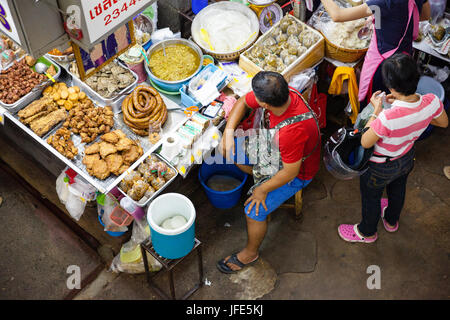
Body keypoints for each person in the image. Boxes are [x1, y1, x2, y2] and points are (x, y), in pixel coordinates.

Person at [216, 72, 321, 273]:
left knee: (253, 212)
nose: (251, 97)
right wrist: (228, 134)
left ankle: (250, 253)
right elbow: (242, 103)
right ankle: (258, 175)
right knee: (232, 148)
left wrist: (262, 190)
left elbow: (291, 172)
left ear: (264, 105)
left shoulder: (291, 132)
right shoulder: (283, 93)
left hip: (298, 172)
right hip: (276, 149)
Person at [338, 53, 448, 243]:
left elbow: (365, 141)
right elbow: (443, 123)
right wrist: (418, 120)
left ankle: (367, 232)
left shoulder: (387, 118)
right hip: (406, 158)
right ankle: (391, 221)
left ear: (391, 87)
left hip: (379, 166)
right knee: (398, 190)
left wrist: (376, 111)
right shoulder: (432, 101)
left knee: (371, 197)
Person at [320, 0, 431, 104]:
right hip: (405, 58)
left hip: (384, 66)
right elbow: (425, 15)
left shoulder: (384, 2)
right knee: (390, 100)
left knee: (375, 102)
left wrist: (385, 14)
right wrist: (388, 19)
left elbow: (337, 15)